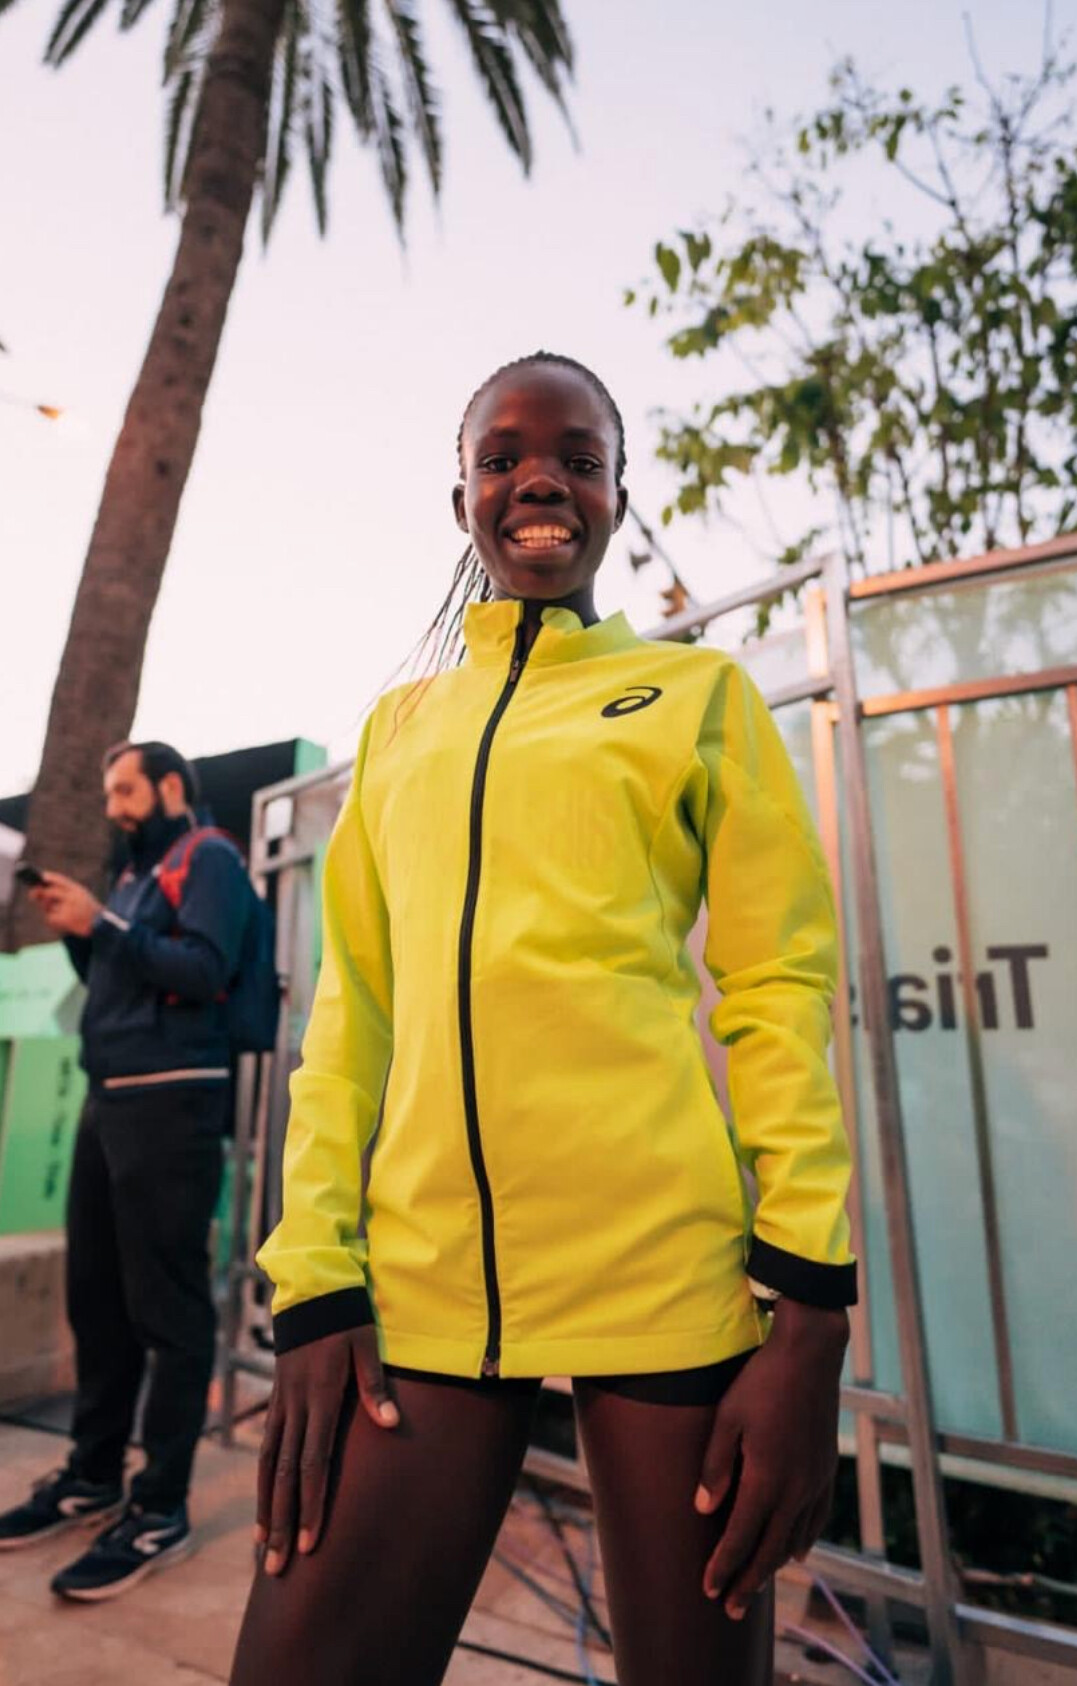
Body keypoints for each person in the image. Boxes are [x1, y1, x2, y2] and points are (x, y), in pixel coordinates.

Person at [230, 353, 857, 1686]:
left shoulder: (699, 697)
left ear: (617, 494)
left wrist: (810, 1310)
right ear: (461, 492)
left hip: (663, 1273)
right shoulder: (397, 730)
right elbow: (353, 1015)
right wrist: (315, 1275)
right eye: (505, 455)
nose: (541, 482)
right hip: (426, 1277)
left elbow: (779, 987)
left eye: (579, 458)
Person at [0, 742, 251, 1600]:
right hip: (108, 1100)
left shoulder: (210, 858)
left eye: (125, 790)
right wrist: (85, 931)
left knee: (168, 1310)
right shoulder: (137, 878)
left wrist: (102, 924)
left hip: (171, 1106)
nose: (113, 807)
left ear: (171, 786)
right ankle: (92, 1476)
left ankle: (159, 1509)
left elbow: (205, 969)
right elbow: (123, 975)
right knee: (97, 1300)